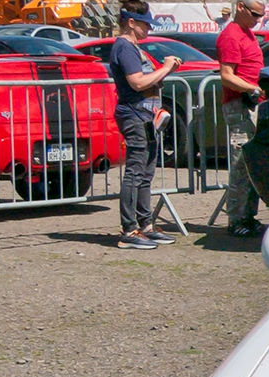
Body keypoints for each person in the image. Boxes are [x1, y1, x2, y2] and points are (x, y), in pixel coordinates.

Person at [109, 0, 183, 249]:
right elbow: (138, 83)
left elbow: (148, 81)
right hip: (134, 114)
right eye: (145, 24)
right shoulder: (125, 47)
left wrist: (165, 71)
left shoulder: (133, 47)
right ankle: (128, 231)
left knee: (146, 172)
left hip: (146, 115)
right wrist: (165, 67)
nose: (149, 29)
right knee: (135, 171)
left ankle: (145, 225)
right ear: (131, 22)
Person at [217, 0, 266, 237]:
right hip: (239, 105)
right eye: (255, 14)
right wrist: (250, 88)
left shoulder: (247, 33)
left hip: (251, 102)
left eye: (261, 15)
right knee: (240, 163)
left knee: (251, 162)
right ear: (241, 7)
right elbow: (226, 76)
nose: (259, 19)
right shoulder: (231, 35)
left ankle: (248, 215)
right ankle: (236, 219)